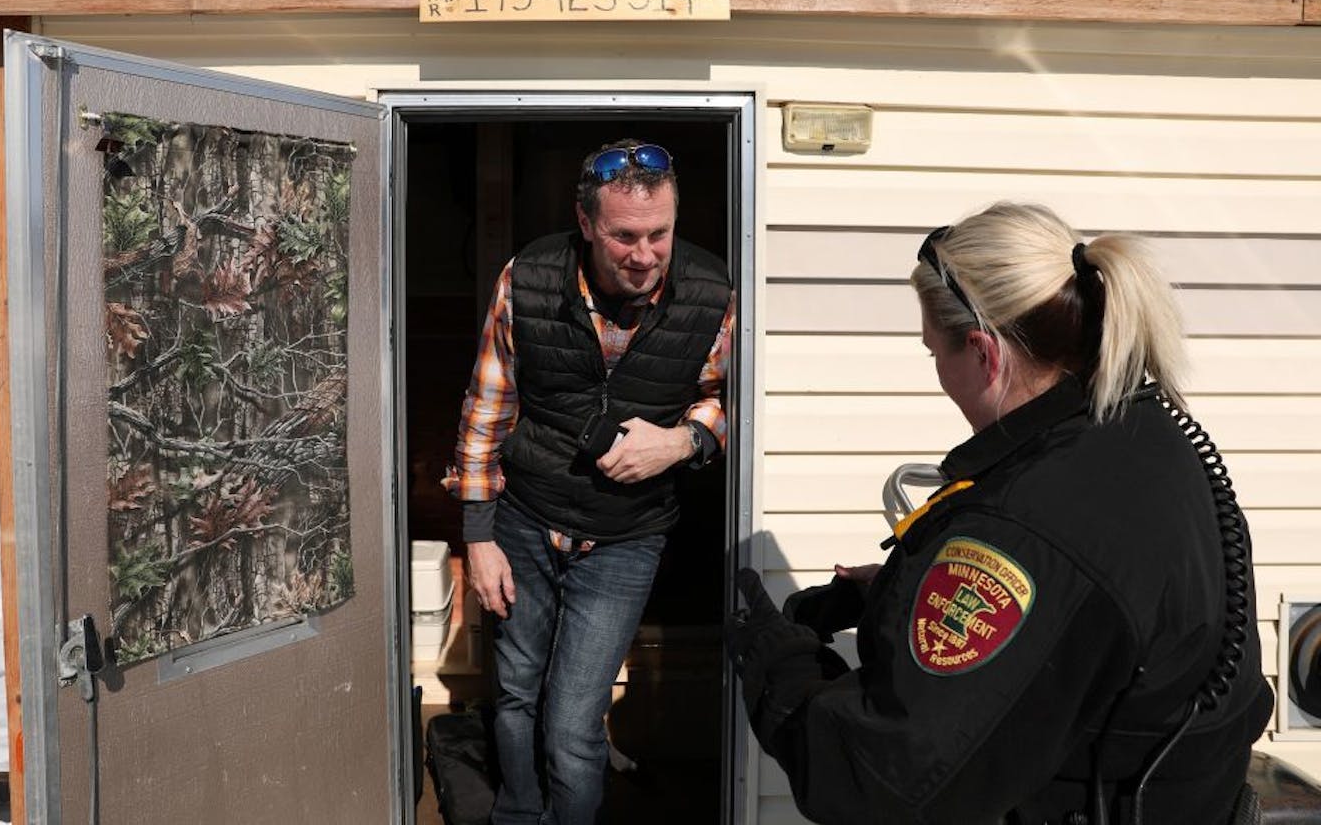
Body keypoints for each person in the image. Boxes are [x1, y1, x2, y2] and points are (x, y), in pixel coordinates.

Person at [727, 202, 1273, 825]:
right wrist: (899, 595)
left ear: (985, 354)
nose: (938, 371)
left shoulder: (1030, 525)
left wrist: (780, 663)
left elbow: (878, 782)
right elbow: (1092, 623)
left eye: (935, 352)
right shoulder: (1138, 436)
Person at [443, 139, 734, 825]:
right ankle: (518, 813)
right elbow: (488, 405)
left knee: (573, 722)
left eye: (659, 233)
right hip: (523, 519)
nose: (645, 254)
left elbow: (734, 399)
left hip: (626, 539)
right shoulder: (530, 277)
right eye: (624, 236)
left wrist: (684, 440)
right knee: (516, 692)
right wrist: (478, 538)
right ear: (586, 223)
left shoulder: (713, 290)